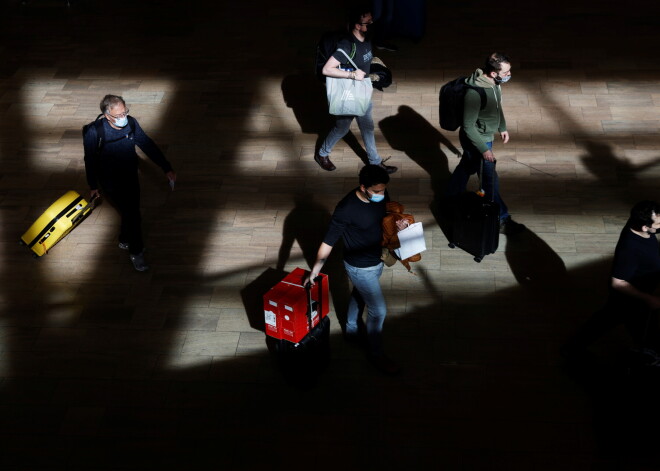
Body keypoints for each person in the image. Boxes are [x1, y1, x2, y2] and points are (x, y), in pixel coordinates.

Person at [306, 164, 399, 374]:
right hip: (360, 268)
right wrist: (314, 271)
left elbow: (386, 216)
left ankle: (351, 330)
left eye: (383, 190)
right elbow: (328, 242)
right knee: (378, 310)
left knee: (360, 294)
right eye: (377, 191)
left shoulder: (381, 193)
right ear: (363, 187)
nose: (381, 194)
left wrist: (397, 223)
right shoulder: (346, 209)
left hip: (377, 258)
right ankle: (376, 355)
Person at [83, 94, 176, 272]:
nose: (123, 118)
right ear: (106, 115)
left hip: (131, 177)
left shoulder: (131, 123)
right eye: (118, 116)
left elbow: (147, 144)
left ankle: (125, 240)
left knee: (130, 212)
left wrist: (166, 168)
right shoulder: (94, 132)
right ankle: (136, 251)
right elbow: (90, 160)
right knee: (134, 216)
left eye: (124, 112)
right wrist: (93, 185)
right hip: (110, 181)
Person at [563, 201, 660, 360]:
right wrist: (649, 299)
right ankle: (572, 348)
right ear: (644, 227)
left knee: (617, 321)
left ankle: (649, 350)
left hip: (642, 295)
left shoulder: (639, 224)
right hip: (630, 299)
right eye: (658, 223)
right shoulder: (630, 249)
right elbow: (618, 282)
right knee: (611, 320)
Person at [445, 52, 523, 235]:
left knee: (467, 165)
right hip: (478, 141)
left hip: (486, 137)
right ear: (494, 73)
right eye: (506, 73)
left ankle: (450, 196)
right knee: (490, 182)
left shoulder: (495, 84)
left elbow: (497, 107)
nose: (508, 75)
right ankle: (502, 218)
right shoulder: (474, 94)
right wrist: (484, 149)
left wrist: (502, 127)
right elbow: (468, 126)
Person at [314, 4, 397, 174]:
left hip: (362, 92)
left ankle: (375, 162)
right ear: (357, 26)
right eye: (368, 22)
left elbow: (363, 60)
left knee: (367, 126)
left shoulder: (366, 39)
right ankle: (322, 154)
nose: (372, 23)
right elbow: (327, 69)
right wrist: (353, 75)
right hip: (350, 93)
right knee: (342, 127)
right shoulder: (347, 45)